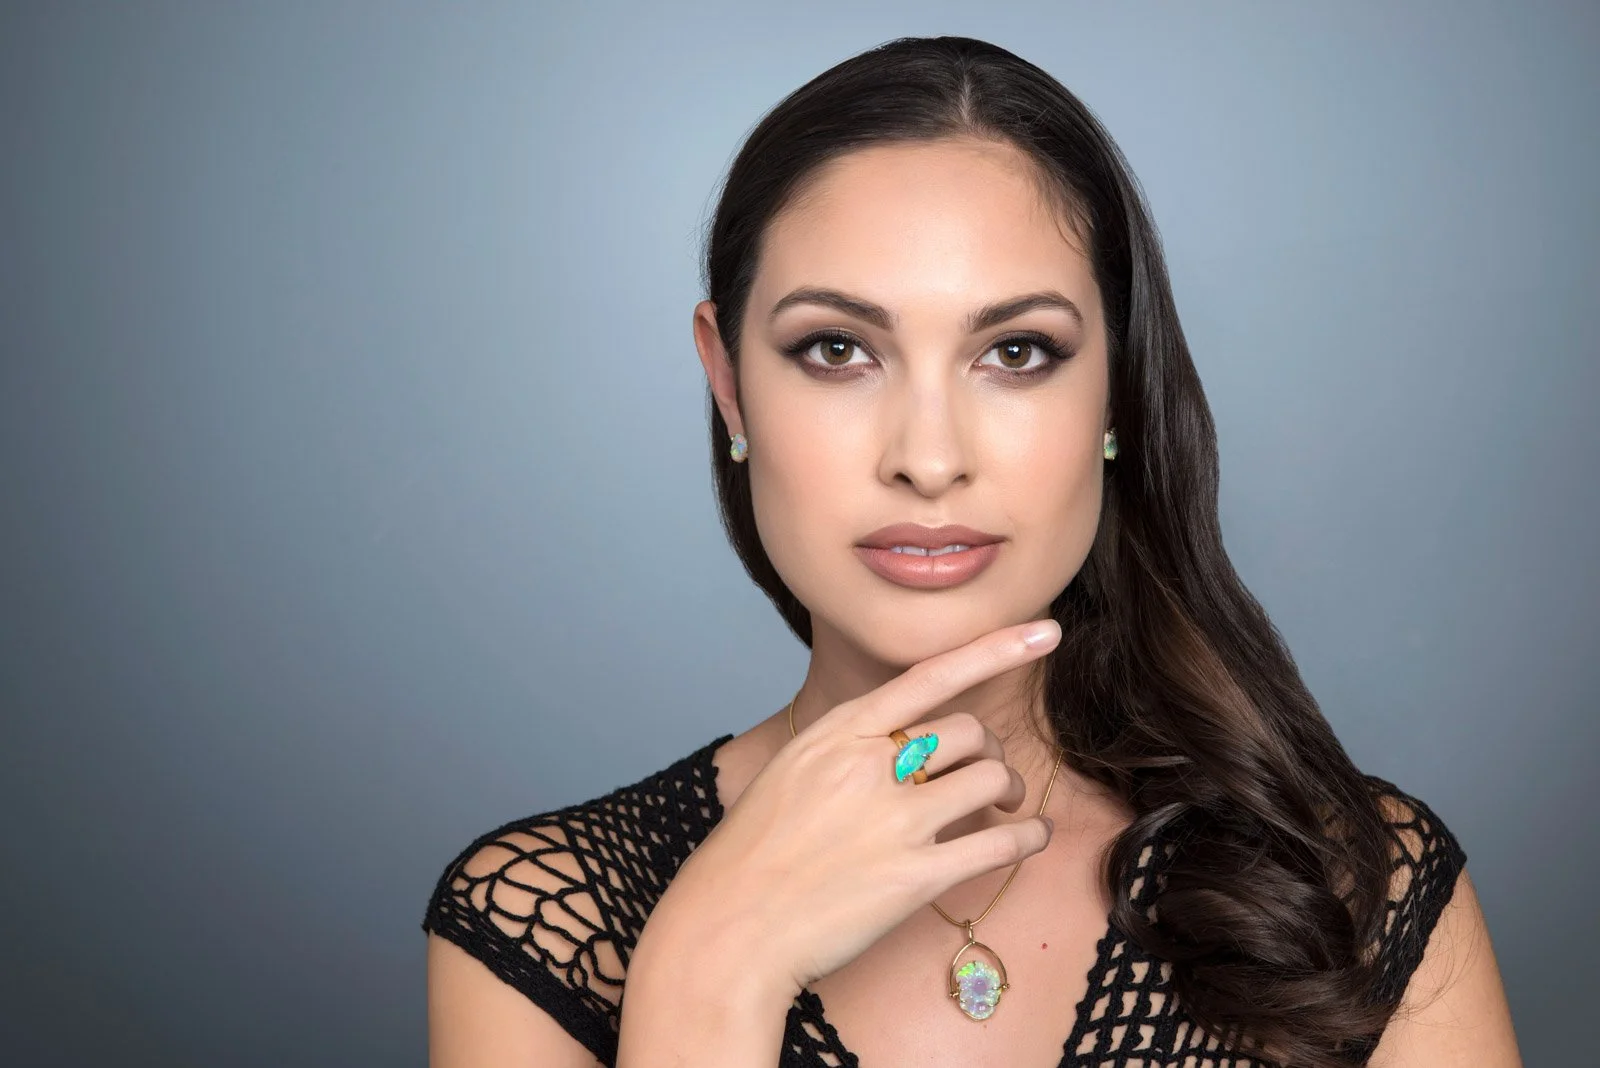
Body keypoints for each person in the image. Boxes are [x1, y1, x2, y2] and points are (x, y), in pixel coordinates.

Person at [421, 35, 1520, 1068]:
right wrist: (711, 970)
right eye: (837, 349)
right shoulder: (546, 918)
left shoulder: (1353, 883)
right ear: (728, 382)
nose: (930, 459)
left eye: (1017, 352)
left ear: (1116, 391)